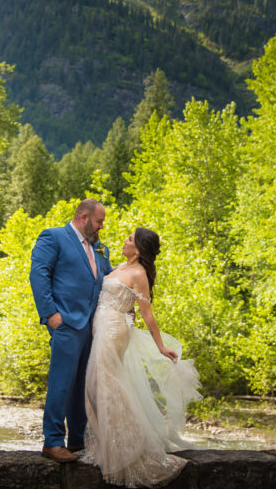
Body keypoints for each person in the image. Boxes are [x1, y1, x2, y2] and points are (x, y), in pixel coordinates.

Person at [82, 227, 202, 487]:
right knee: (95, 386)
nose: (123, 241)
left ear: (138, 249)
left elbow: (147, 313)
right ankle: (108, 447)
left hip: (115, 330)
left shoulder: (139, 274)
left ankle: (131, 446)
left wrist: (160, 347)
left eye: (128, 239)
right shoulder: (121, 266)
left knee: (105, 385)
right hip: (102, 326)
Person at [29, 198, 113, 463]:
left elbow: (109, 280)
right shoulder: (53, 237)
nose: (101, 226)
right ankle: (53, 442)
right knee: (61, 383)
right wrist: (50, 314)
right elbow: (38, 274)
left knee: (84, 386)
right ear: (83, 217)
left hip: (93, 327)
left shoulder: (101, 249)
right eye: (99, 221)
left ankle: (77, 441)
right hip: (65, 323)